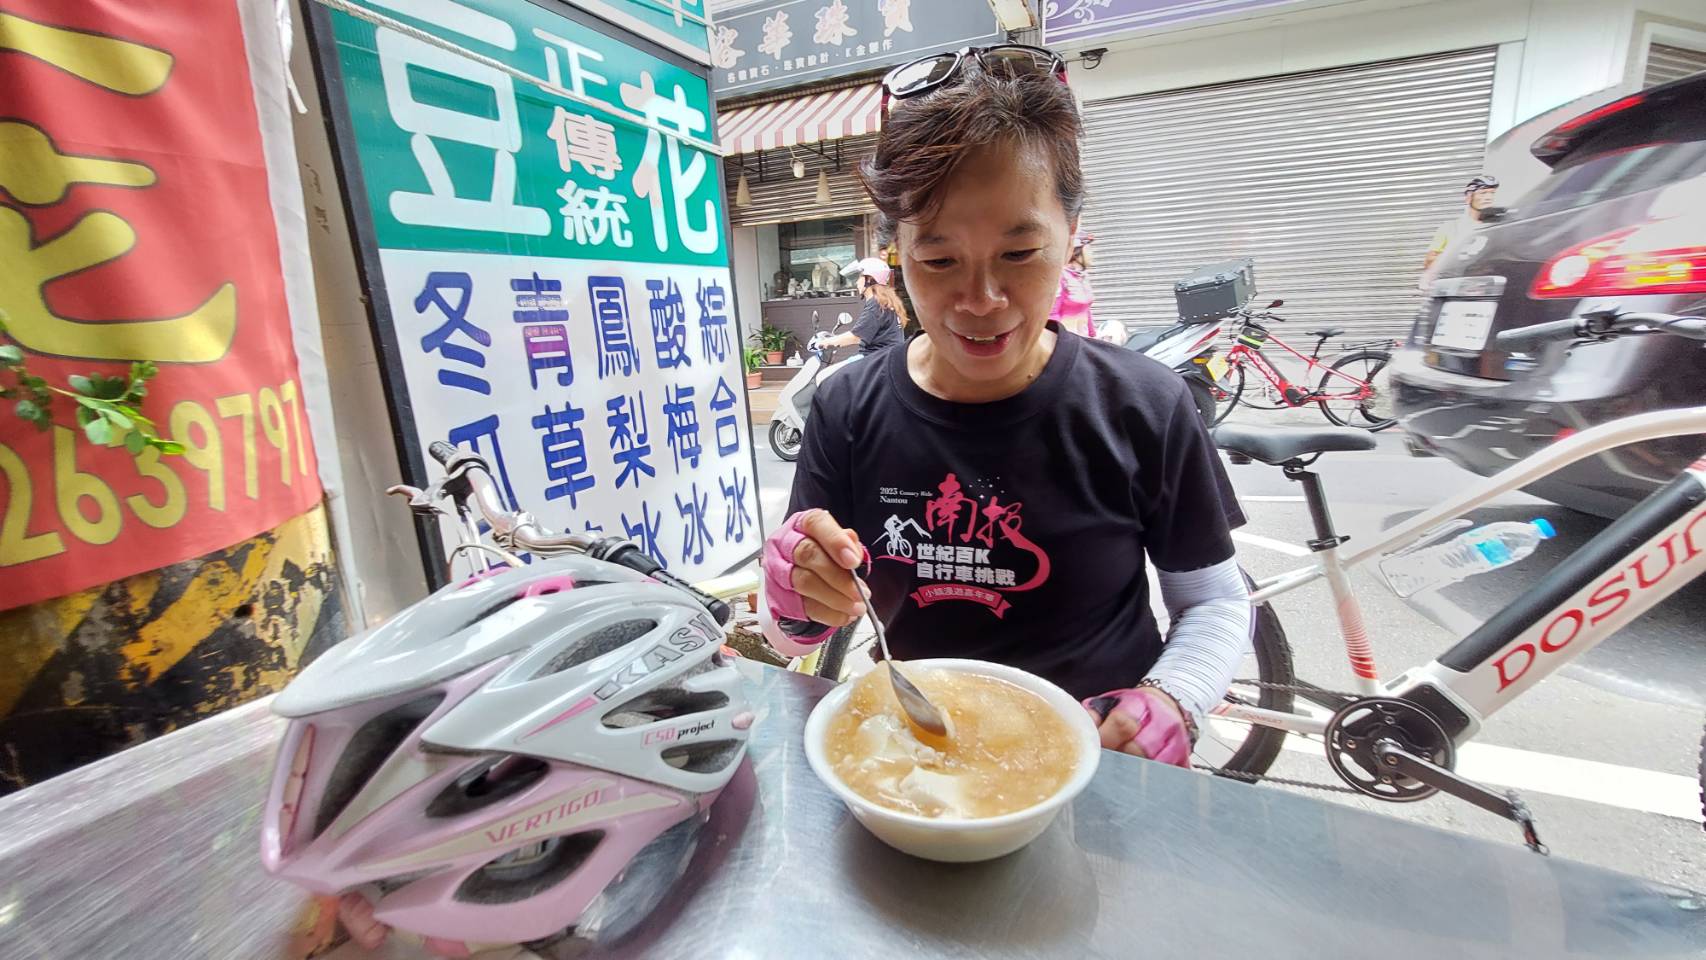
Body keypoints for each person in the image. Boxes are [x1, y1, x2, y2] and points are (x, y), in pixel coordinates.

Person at [758, 45, 1253, 768]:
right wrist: (794, 599)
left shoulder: (1144, 405)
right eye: (939, 260)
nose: (980, 302)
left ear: (1070, 240)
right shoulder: (846, 410)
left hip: (1102, 766)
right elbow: (796, 635)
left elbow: (1212, 601)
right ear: (897, 252)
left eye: (1020, 255)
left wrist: (1172, 697)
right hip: (917, 768)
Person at [1419, 174, 1498, 290]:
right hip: (1454, 288)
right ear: (1469, 197)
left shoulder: (1495, 228)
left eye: (1492, 193)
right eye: (1483, 193)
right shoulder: (1450, 228)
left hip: (1483, 289)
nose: (1488, 197)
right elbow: (1430, 260)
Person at [819, 256, 908, 356]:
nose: (856, 282)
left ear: (869, 279)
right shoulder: (886, 301)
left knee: (835, 371)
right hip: (884, 359)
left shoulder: (876, 304)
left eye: (859, 277)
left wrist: (824, 343)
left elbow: (855, 337)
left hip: (876, 361)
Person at [1049, 231, 1097, 338]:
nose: (1092, 255)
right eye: (1088, 250)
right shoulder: (1061, 278)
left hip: (1083, 339)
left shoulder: (1083, 277)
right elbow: (1052, 315)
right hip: (1066, 340)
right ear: (1077, 253)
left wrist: (1093, 336)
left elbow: (1086, 310)